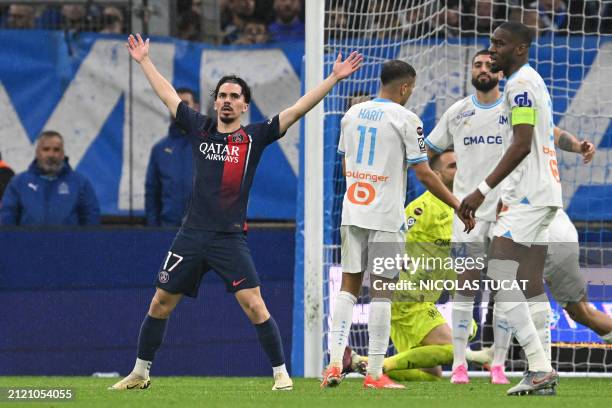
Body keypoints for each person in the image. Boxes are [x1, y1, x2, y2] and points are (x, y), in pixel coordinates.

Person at [109, 33, 362, 391]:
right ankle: (140, 372)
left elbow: (298, 108)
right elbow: (167, 94)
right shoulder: (199, 128)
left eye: (235, 97)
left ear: (245, 106)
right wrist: (145, 61)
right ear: (215, 103)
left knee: (254, 306)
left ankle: (281, 375)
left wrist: (334, 79)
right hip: (192, 235)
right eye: (223, 96)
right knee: (159, 303)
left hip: (229, 238)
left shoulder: (255, 137)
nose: (227, 101)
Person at [427, 49, 598, 387]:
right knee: (465, 288)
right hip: (468, 213)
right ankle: (459, 365)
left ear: (500, 73)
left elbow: (548, 132)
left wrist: (577, 145)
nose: (483, 69)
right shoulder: (457, 112)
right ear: (471, 71)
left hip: (508, 207)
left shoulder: (513, 104)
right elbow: (427, 151)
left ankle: (500, 365)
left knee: (505, 287)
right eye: (477, 64)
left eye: (490, 65)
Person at [320, 59, 473, 390]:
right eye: (412, 89)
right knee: (382, 293)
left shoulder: (351, 115)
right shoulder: (407, 119)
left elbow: (346, 163)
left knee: (348, 287)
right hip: (386, 215)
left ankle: (333, 365)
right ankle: (374, 373)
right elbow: (423, 172)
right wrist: (459, 204)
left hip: (353, 210)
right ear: (405, 87)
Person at [459, 21, 563, 395]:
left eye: (499, 45)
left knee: (500, 274)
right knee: (530, 285)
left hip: (529, 195)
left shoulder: (519, 84)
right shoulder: (533, 81)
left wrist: (481, 191)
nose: (492, 51)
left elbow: (521, 144)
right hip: (544, 191)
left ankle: (538, 368)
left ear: (520, 48)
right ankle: (544, 371)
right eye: (490, 43)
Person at [349, 150, 460, 382]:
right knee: (452, 348)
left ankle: (362, 363)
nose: (459, 170)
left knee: (431, 374)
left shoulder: (455, 207)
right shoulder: (422, 208)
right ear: (436, 174)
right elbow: (395, 238)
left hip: (422, 298)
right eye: (452, 166)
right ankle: (378, 365)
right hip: (407, 297)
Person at [0, 131, 100, 226]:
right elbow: (7, 219)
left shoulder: (80, 183)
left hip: (69, 243)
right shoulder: (18, 183)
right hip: (27, 243)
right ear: (37, 152)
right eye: (46, 149)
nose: (51, 155)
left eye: (56, 150)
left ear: (63, 153)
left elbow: (91, 220)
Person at [145, 88, 199, 227]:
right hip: (167, 230)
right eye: (174, 103)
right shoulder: (159, 149)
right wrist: (153, 229)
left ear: (196, 107)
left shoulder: (211, 145)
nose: (179, 108)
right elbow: (152, 192)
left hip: (203, 232)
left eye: (185, 103)